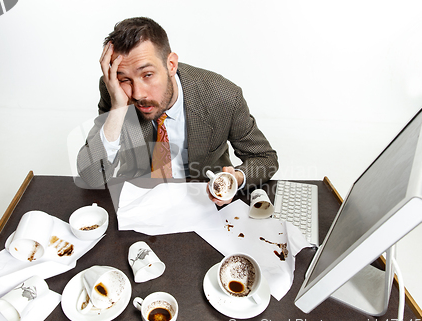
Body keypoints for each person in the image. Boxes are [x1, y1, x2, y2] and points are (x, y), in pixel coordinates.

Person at [77, 17, 278, 206]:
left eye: (147, 74)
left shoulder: (224, 97)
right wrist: (118, 109)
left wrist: (237, 178)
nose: (138, 94)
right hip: (142, 202)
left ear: (171, 64)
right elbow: (91, 176)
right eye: (124, 79)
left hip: (205, 201)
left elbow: (265, 158)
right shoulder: (116, 93)